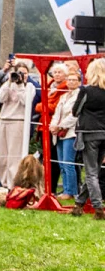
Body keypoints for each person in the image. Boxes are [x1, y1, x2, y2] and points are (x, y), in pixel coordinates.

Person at [71, 59, 105, 219]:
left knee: (91, 173)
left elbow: (75, 111)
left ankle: (98, 208)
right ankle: (78, 205)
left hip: (89, 133)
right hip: (104, 133)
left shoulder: (86, 90)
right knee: (95, 171)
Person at [0, 59, 36, 188]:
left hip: (18, 120)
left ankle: (13, 184)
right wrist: (8, 82)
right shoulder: (8, 84)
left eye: (24, 73)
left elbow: (26, 102)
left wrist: (20, 85)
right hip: (4, 119)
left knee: (14, 156)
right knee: (2, 156)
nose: (20, 75)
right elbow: (0, 98)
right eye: (18, 73)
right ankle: (3, 183)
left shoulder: (29, 87)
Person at [50, 67, 81, 198]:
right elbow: (57, 113)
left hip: (71, 133)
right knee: (62, 163)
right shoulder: (63, 96)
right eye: (69, 80)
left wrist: (60, 126)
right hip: (59, 134)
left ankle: (71, 191)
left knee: (69, 163)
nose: (71, 82)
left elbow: (75, 115)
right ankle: (66, 189)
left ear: (79, 82)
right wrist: (53, 125)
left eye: (74, 80)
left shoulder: (79, 96)